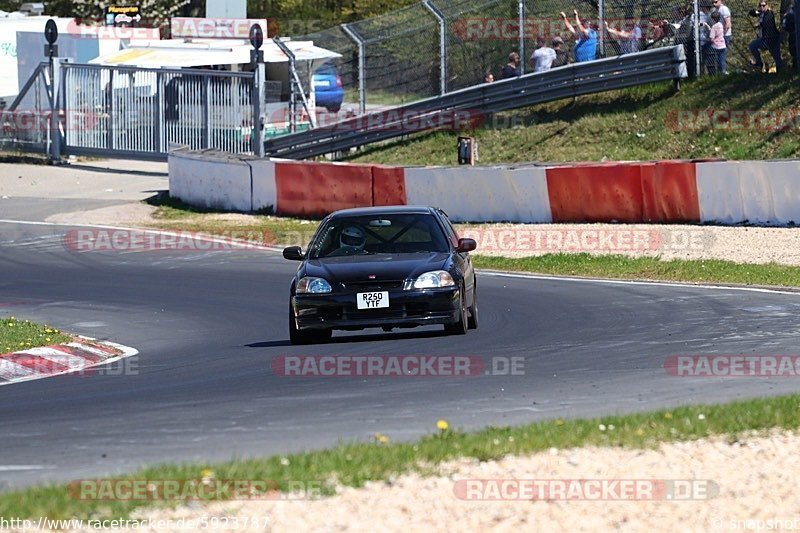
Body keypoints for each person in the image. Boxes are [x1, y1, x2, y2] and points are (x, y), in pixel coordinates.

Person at [748, 0, 784, 72]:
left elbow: (766, 23)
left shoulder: (769, 14)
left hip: (771, 39)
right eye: (760, 5)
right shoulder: (761, 13)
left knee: (777, 57)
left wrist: (758, 25)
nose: (762, 7)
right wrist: (755, 11)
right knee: (752, 46)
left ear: (767, 6)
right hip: (766, 39)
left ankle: (781, 73)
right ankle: (759, 63)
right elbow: (752, 13)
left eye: (764, 5)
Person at [782, 1, 797, 70]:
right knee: (794, 52)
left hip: (793, 34)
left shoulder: (791, 11)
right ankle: (795, 68)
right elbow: (785, 25)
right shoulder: (791, 11)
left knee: (794, 51)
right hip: (793, 34)